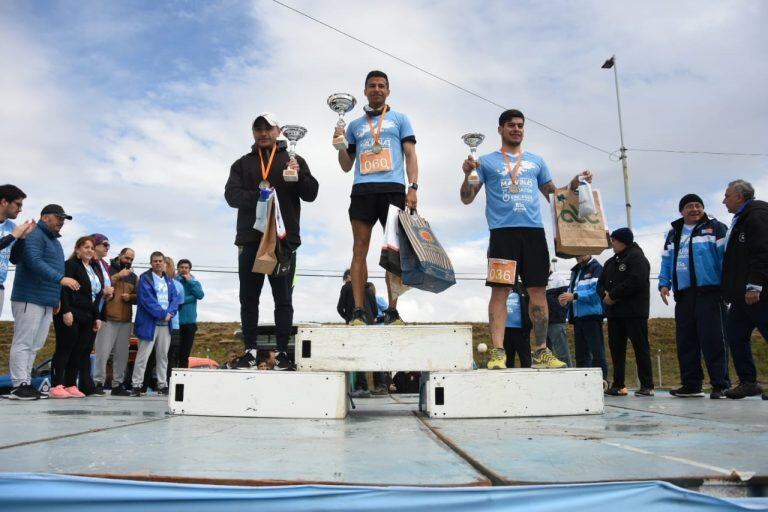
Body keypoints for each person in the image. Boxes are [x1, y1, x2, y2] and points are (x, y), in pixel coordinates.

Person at [460, 108, 592, 369]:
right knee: (500, 291)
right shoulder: (485, 162)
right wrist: (466, 174)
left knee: (538, 291)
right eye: (511, 125)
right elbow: (466, 197)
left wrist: (574, 184)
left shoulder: (536, 161)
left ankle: (541, 351)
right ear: (500, 129)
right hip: (502, 234)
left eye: (520, 125)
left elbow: (555, 196)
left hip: (533, 233)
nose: (516, 129)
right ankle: (498, 351)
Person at [225, 112, 318, 370]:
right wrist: (259, 196)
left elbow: (311, 194)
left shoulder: (293, 160)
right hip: (251, 239)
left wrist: (299, 176)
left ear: (278, 131)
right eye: (258, 129)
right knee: (249, 297)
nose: (263, 133)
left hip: (283, 240)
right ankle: (251, 351)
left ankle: (282, 354)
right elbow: (231, 195)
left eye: (268, 128)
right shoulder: (242, 164)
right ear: (253, 133)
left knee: (283, 298)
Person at [334, 70, 418, 326]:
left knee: (395, 251)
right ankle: (358, 311)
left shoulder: (400, 119)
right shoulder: (354, 125)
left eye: (382, 86)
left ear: (388, 91)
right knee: (359, 249)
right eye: (372, 86)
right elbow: (346, 165)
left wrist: (413, 186)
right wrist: (340, 147)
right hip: (362, 190)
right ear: (365, 91)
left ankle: (392, 311)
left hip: (393, 188)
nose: (377, 90)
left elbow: (411, 154)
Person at [658, 194, 731, 399]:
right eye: (690, 206)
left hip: (710, 292)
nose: (695, 209)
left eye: (698, 205)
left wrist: (727, 288)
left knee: (714, 340)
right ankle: (691, 385)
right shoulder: (674, 233)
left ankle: (721, 384)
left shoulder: (716, 228)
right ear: (682, 211)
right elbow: (666, 261)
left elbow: (725, 259)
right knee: (686, 341)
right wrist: (664, 283)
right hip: (684, 294)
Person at [7, 204, 78, 400]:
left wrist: (55, 298)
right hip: (29, 297)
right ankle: (18, 384)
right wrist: (60, 280)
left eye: (63, 219)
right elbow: (33, 261)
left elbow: (53, 267)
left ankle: (26, 382)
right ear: (45, 217)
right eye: (58, 218)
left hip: (46, 300)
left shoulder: (54, 241)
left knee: (36, 344)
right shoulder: (34, 234)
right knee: (24, 342)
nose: (61, 222)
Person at [720, 180, 768, 400]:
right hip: (741, 296)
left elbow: (762, 252)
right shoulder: (740, 218)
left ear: (739, 197)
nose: (724, 200)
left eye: (727, 196)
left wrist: (755, 285)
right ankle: (748, 382)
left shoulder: (757, 215)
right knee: (735, 334)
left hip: (758, 292)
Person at [598, 228, 654, 397]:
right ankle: (619, 384)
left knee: (640, 348)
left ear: (621, 241)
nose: (612, 243)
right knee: (616, 350)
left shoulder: (637, 257)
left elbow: (636, 280)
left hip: (634, 312)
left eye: (613, 240)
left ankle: (647, 385)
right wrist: (604, 296)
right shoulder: (610, 261)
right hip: (615, 314)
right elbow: (600, 284)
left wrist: (613, 296)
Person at [49, 236, 103, 399]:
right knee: (65, 348)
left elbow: (95, 295)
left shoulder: (94, 269)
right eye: (86, 247)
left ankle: (71, 384)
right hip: (71, 312)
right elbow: (64, 289)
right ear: (77, 249)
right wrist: (65, 310)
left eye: (92, 248)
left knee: (79, 351)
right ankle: (56, 385)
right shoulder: (70, 265)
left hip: (87, 314)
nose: (89, 250)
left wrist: (97, 316)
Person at [130, 251, 180, 397]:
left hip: (165, 326)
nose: (158, 263)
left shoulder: (169, 280)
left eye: (160, 261)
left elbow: (175, 299)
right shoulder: (145, 279)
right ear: (151, 263)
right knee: (143, 356)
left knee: (163, 356)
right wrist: (163, 314)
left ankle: (162, 384)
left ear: (164, 263)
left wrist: (170, 313)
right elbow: (147, 300)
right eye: (155, 261)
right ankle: (137, 385)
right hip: (149, 324)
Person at [93, 247, 136, 396]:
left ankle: (118, 385)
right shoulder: (107, 269)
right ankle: (98, 382)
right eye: (126, 258)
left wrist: (130, 298)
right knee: (102, 352)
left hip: (125, 320)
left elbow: (138, 296)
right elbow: (101, 286)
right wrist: (118, 275)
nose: (128, 261)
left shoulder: (133, 276)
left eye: (131, 259)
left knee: (122, 355)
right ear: (119, 256)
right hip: (108, 317)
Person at [559, 255, 608, 383]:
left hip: (591, 316)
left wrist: (574, 296)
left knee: (597, 351)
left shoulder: (596, 268)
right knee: (581, 355)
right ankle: (584, 383)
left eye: (581, 252)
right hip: (577, 317)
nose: (578, 256)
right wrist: (566, 301)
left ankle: (602, 381)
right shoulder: (575, 271)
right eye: (576, 253)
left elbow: (596, 292)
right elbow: (572, 291)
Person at [0, 185, 35, 316]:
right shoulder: (13, 231)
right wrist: (13, 236)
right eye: (18, 204)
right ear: (4, 202)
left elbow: (14, 259)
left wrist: (22, 238)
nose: (20, 209)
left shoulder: (12, 227)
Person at [176, 259, 204, 370]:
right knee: (175, 352)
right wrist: (191, 297)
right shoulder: (174, 282)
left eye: (186, 267)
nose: (184, 269)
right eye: (181, 267)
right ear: (178, 268)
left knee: (185, 353)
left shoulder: (195, 282)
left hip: (190, 323)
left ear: (190, 269)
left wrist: (190, 282)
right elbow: (177, 299)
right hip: (176, 323)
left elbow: (200, 295)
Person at [164, 256, 185, 383]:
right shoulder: (153, 282)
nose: (164, 267)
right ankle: (144, 386)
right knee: (154, 357)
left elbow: (180, 304)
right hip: (158, 324)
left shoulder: (178, 285)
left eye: (167, 265)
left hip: (174, 326)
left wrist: (171, 314)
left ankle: (168, 384)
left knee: (171, 356)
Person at [546, 269, 572, 367]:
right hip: (542, 323)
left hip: (556, 321)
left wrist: (560, 312)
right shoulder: (537, 280)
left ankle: (568, 374)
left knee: (562, 353)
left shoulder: (558, 279)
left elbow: (566, 299)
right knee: (545, 355)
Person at [504, 281, 532, 368]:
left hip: (521, 330)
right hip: (505, 330)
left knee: (525, 359)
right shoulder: (501, 288)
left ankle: (528, 378)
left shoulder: (522, 286)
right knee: (507, 360)